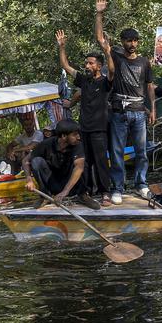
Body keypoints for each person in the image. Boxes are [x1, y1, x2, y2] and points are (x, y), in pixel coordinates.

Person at [95, 0, 154, 203]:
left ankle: (141, 185)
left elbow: (149, 87)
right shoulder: (117, 57)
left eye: (135, 40)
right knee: (117, 151)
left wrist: (152, 108)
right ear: (122, 42)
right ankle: (117, 188)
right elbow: (101, 40)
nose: (132, 44)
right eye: (129, 40)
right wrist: (99, 13)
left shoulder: (145, 62)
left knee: (142, 151)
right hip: (119, 111)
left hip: (139, 111)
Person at [57, 29, 113, 205]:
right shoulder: (83, 80)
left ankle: (105, 192)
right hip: (83, 130)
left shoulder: (105, 82)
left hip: (99, 130)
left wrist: (107, 51)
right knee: (85, 163)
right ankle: (85, 192)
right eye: (86, 63)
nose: (86, 66)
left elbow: (112, 70)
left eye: (90, 63)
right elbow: (66, 66)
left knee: (101, 162)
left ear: (98, 66)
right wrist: (62, 47)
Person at [23, 119, 100, 209]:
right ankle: (45, 196)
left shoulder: (78, 145)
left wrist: (65, 192)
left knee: (82, 164)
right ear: (63, 136)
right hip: (53, 183)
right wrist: (29, 179)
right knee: (36, 161)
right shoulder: (47, 144)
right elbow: (25, 161)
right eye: (75, 134)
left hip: (71, 186)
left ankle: (82, 195)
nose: (78, 137)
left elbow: (79, 168)